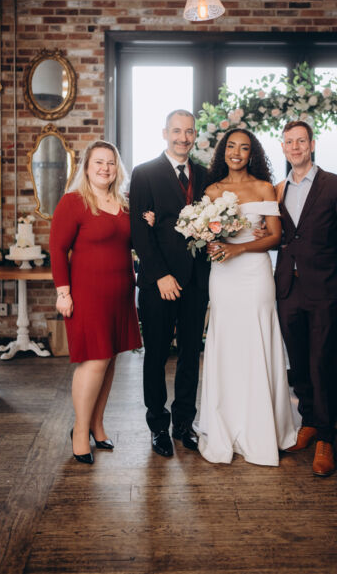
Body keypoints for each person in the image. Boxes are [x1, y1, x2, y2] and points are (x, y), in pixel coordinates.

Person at [197, 129, 298, 466]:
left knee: (257, 339)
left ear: (252, 153)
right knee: (226, 342)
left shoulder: (263, 187)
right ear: (223, 151)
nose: (236, 153)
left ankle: (262, 426)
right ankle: (225, 422)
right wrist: (211, 243)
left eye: (244, 148)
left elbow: (275, 236)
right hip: (223, 276)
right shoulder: (211, 190)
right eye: (231, 146)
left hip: (255, 274)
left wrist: (238, 248)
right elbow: (207, 234)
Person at [274, 120, 337, 477]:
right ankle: (309, 421)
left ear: (312, 144)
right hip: (287, 288)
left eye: (301, 141)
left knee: (322, 362)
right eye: (289, 142)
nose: (295, 147)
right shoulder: (278, 189)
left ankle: (327, 436)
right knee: (297, 361)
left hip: (324, 287)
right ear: (283, 147)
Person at [50, 140, 141, 465]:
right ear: (87, 167)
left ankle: (97, 425)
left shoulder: (124, 203)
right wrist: (63, 293)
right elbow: (57, 249)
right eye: (99, 162)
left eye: (111, 163)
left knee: (110, 358)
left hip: (121, 294)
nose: (105, 168)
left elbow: (133, 243)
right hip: (87, 295)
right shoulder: (73, 202)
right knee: (95, 360)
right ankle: (79, 431)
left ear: (118, 169)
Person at [129, 110, 209, 457]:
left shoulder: (204, 175)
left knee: (191, 355)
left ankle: (184, 424)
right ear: (165, 133)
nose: (183, 138)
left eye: (189, 131)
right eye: (177, 131)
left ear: (194, 135)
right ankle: (158, 426)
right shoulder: (144, 173)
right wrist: (160, 275)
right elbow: (139, 231)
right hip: (157, 282)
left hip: (196, 282)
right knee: (157, 355)